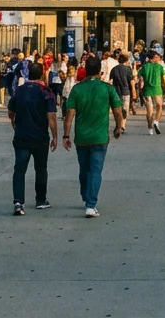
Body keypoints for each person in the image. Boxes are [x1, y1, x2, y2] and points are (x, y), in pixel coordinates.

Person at [62, 56, 124, 218]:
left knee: (84, 169)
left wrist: (66, 135)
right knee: (95, 170)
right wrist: (119, 126)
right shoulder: (107, 89)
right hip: (100, 137)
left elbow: (69, 114)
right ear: (101, 72)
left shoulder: (77, 89)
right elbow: (118, 110)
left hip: (82, 137)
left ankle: (85, 196)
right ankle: (91, 204)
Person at [8, 62, 57, 216]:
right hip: (40, 137)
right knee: (41, 169)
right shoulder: (46, 91)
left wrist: (14, 124)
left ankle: (18, 202)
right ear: (42, 74)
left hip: (22, 136)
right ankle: (41, 200)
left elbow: (11, 111)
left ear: (27, 73)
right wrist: (55, 136)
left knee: (19, 170)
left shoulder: (19, 91)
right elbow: (51, 116)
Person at [139, 52, 165, 135]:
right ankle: (156, 121)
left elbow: (141, 79)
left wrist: (140, 90)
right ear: (151, 59)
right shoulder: (160, 67)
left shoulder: (144, 67)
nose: (158, 59)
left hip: (147, 90)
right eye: (156, 57)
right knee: (159, 106)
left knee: (149, 110)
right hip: (157, 90)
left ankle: (150, 128)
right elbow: (164, 80)